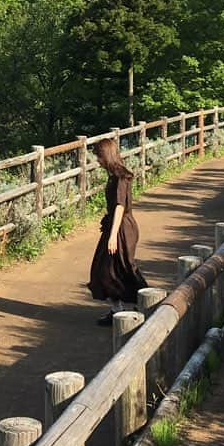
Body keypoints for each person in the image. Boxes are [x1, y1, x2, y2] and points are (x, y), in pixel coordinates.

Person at [88, 137, 147, 325]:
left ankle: (144, 303)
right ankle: (119, 309)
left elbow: (120, 206)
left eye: (99, 156)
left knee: (121, 267)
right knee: (107, 267)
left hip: (122, 228)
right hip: (117, 225)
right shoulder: (115, 175)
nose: (97, 160)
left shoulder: (120, 177)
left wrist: (112, 236)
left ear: (106, 155)